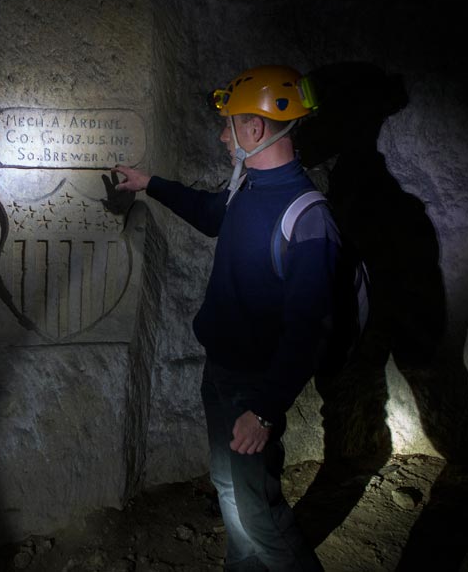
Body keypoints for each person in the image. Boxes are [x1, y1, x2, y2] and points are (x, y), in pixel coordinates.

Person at [112, 65, 333, 571]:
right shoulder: (248, 188)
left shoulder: (307, 216)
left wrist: (265, 411)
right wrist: (150, 184)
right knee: (229, 487)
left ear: (255, 128)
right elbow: (213, 214)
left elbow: (309, 330)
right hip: (222, 371)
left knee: (259, 511)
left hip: (254, 386)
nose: (222, 136)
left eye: (228, 125)